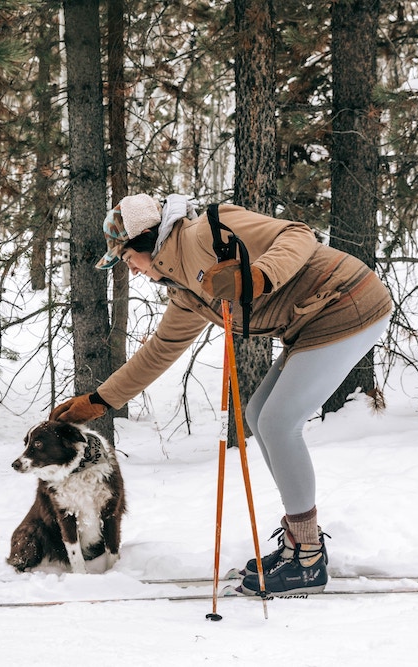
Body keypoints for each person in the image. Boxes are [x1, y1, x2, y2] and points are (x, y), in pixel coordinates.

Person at [50, 193, 392, 595]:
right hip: (311, 323)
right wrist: (100, 400)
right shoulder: (185, 292)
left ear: (145, 241)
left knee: (279, 423)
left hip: (347, 302)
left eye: (127, 259)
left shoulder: (206, 232)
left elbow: (298, 236)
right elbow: (161, 349)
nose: (133, 270)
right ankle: (301, 543)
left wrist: (260, 275)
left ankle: (308, 558)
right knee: (260, 415)